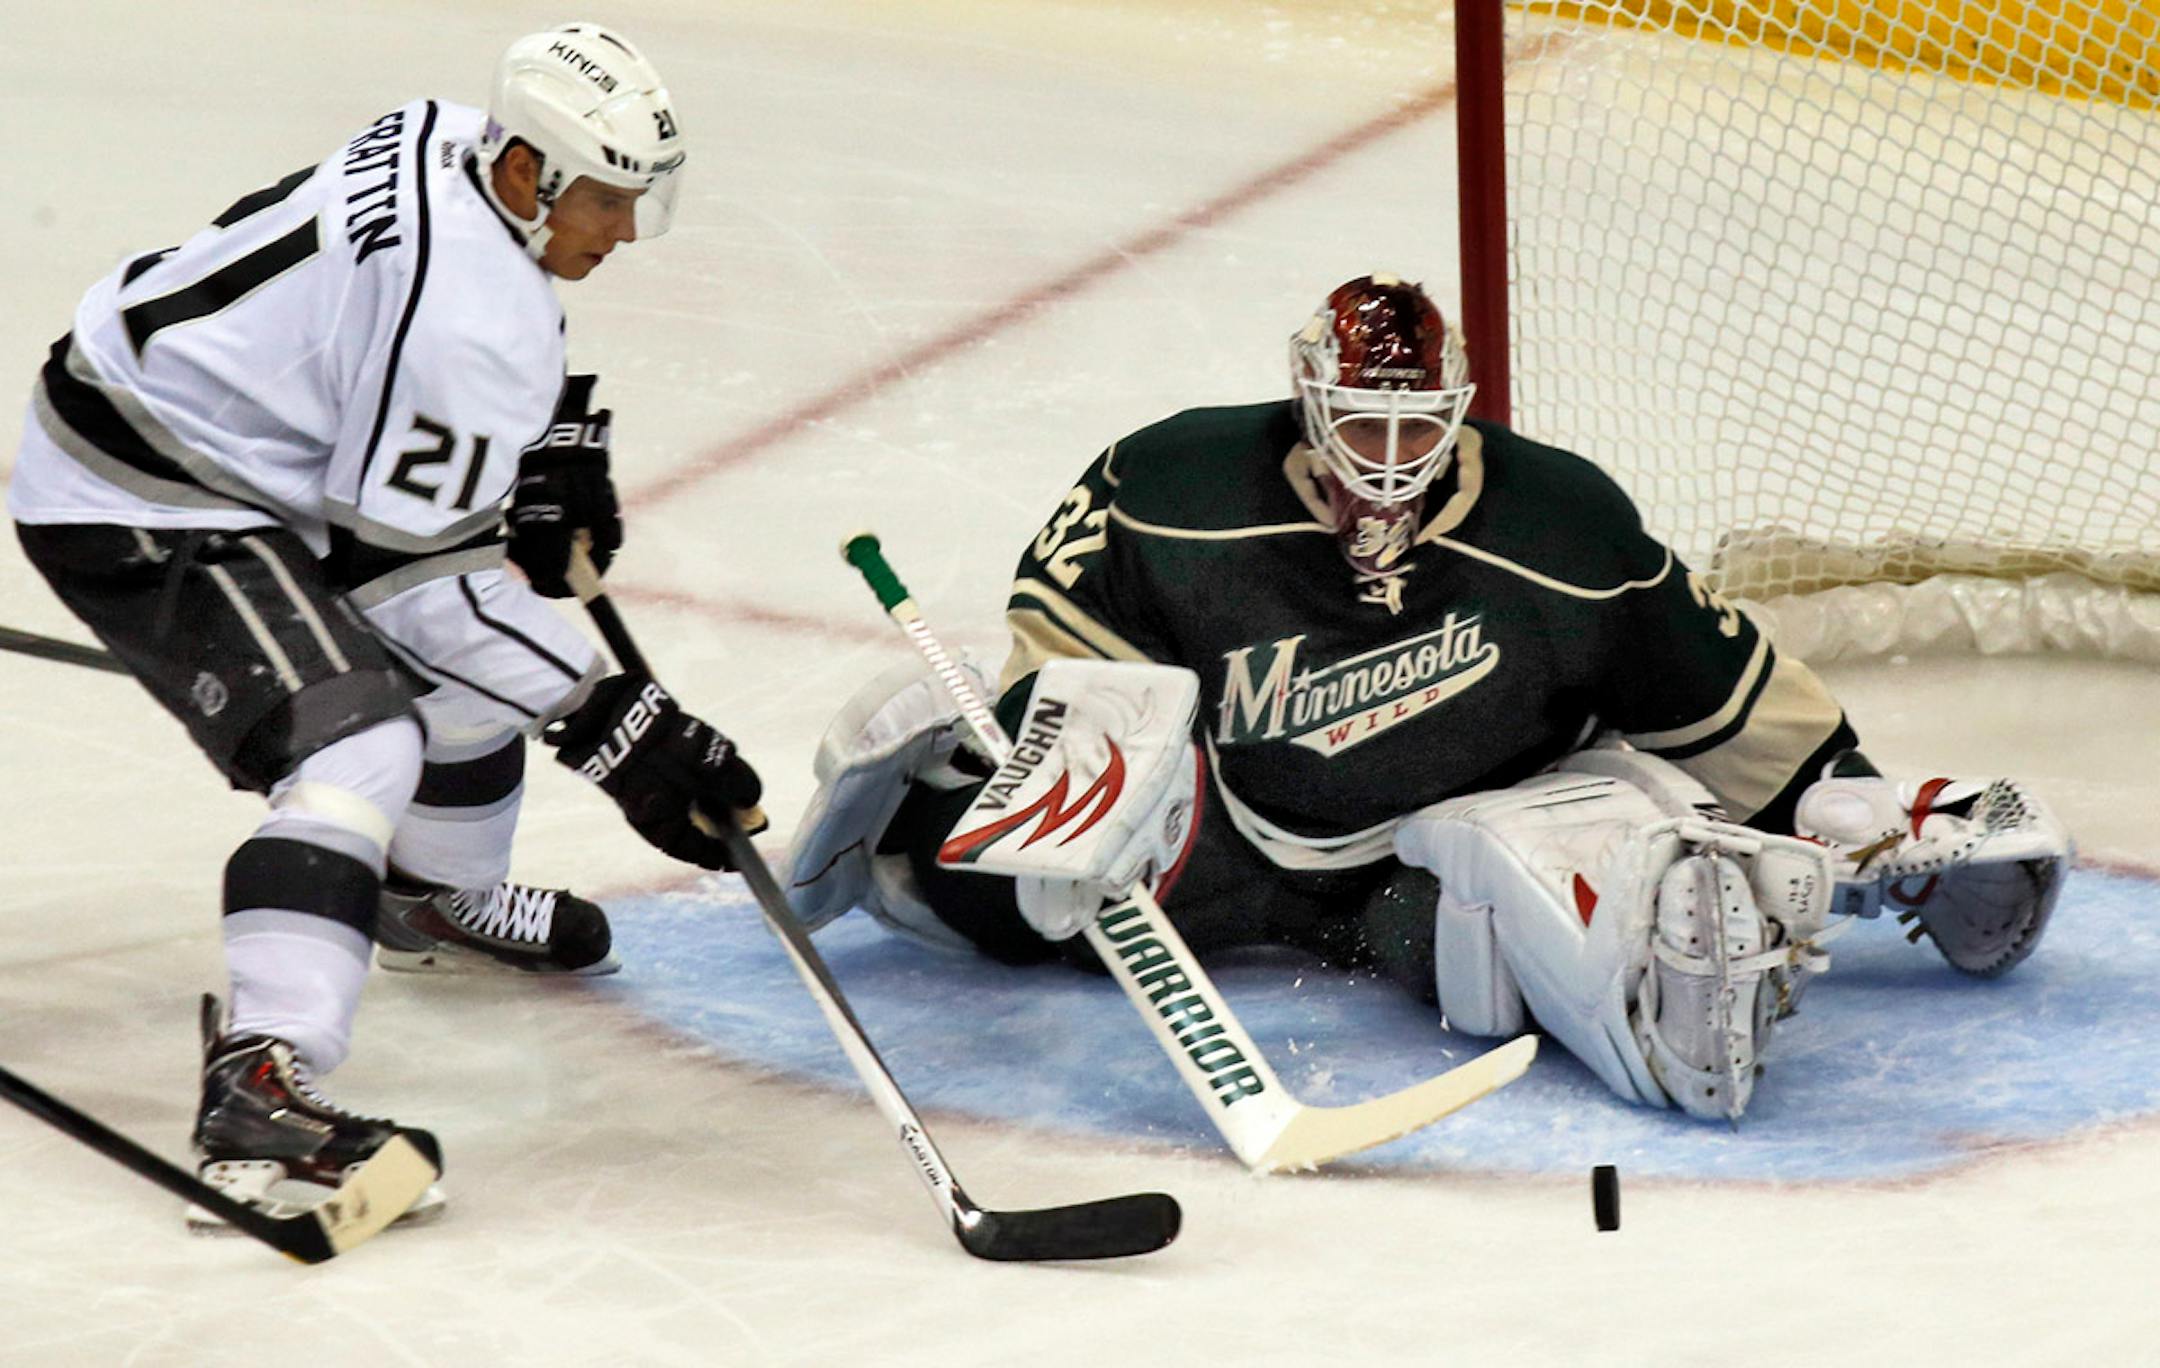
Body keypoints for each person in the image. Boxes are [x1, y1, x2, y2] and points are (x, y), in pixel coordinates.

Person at [786, 274, 2072, 1125]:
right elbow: (1059, 661)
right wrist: (1059, 780)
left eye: (1420, 433)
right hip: (1219, 832)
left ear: (1460, 414)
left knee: (1517, 940)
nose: (1390, 466)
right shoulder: (1169, 480)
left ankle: (1661, 911)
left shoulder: (1561, 524)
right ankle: (904, 826)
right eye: (1363, 427)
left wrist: (1846, 805)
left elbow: (1723, 701)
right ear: (1309, 402)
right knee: (1011, 895)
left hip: (1423, 865)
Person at [7, 22, 763, 1224]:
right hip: (141, 493)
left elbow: (395, 330)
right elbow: (416, 586)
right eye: (609, 203)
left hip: (213, 427)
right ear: (530, 173)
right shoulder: (469, 321)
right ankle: (263, 1085)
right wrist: (623, 724)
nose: (623, 233)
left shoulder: (445, 132)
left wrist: (537, 441)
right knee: (361, 737)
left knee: (464, 660)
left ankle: (424, 898)